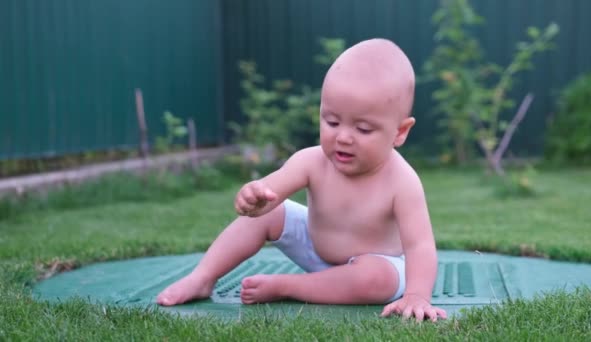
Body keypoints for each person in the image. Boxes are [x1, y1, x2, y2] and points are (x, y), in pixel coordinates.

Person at [156, 38, 447, 322]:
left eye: (363, 128)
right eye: (332, 122)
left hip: (375, 263)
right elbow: (271, 192)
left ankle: (288, 287)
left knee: (377, 279)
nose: (343, 136)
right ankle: (203, 277)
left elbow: (420, 245)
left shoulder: (402, 181)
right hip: (315, 247)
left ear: (399, 132)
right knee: (271, 214)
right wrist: (255, 197)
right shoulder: (312, 160)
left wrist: (417, 295)